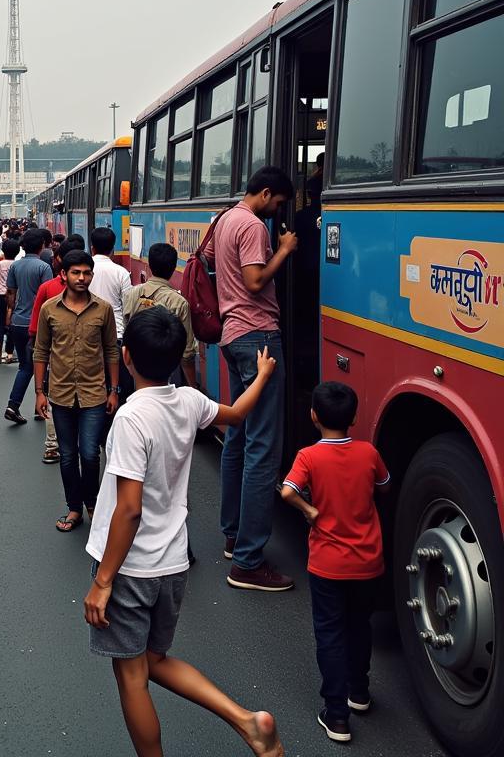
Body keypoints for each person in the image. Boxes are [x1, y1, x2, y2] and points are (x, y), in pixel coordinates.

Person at [83, 307, 284, 757]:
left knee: (132, 676)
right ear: (178, 357)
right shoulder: (189, 401)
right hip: (172, 564)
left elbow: (129, 510)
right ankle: (247, 722)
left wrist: (102, 582)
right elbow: (234, 416)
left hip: (130, 568)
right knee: (153, 661)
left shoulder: (131, 419)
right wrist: (263, 376)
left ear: (126, 355)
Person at [202, 165, 297, 591]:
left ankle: (233, 534)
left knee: (237, 438)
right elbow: (255, 281)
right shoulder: (254, 225)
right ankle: (248, 561)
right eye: (277, 204)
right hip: (258, 335)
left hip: (232, 335)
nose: (278, 213)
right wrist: (285, 250)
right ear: (264, 193)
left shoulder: (225, 219)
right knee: (263, 447)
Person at [281, 382, 390, 744]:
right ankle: (359, 692)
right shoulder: (368, 453)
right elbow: (385, 484)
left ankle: (337, 715)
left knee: (330, 633)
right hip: (367, 562)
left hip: (327, 564)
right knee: (360, 626)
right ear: (355, 417)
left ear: (313, 416)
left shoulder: (308, 457)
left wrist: (310, 509)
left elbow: (287, 491)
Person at [33, 250, 120, 531]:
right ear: (63, 275)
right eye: (76, 273)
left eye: (87, 273)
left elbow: (111, 351)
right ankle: (74, 508)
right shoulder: (49, 309)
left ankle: (93, 503)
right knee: (68, 455)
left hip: (94, 393)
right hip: (59, 394)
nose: (82, 278)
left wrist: (114, 389)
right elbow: (41, 351)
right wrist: (39, 392)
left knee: (91, 454)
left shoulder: (103, 309)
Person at [26, 240, 82, 464]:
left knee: (53, 399)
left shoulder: (47, 288)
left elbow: (35, 328)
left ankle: (52, 445)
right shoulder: (88, 288)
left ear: (59, 261)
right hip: (85, 360)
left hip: (54, 358)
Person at [122, 242, 198, 389]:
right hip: (169, 370)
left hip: (138, 368)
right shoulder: (179, 302)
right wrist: (193, 387)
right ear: (173, 267)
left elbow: (127, 333)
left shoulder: (131, 294)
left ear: (149, 265)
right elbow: (187, 353)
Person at [3, 229, 53, 425]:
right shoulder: (44, 268)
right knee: (43, 364)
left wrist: (11, 314)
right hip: (37, 324)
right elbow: (48, 299)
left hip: (17, 321)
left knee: (25, 366)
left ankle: (14, 405)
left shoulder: (15, 266)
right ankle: (36, 405)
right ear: (42, 246)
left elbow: (10, 294)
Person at [0, 238, 18, 364]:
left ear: (3, 251)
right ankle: (10, 353)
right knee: (11, 323)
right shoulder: (17, 264)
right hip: (11, 295)